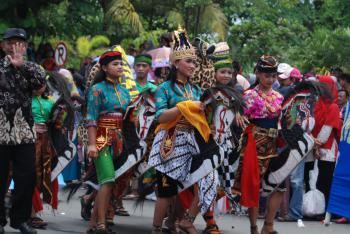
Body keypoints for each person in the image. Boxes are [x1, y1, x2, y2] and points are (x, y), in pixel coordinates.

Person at [148, 27, 220, 234]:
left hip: (192, 140)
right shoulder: (164, 89)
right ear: (176, 63)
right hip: (169, 141)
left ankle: (186, 220)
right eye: (189, 61)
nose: (193, 66)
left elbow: (202, 118)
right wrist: (184, 107)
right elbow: (160, 117)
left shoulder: (196, 90)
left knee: (210, 179)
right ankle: (157, 228)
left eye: (195, 62)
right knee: (166, 190)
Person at [0, 28, 46, 234]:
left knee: (27, 177)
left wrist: (22, 65)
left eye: (19, 43)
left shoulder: (32, 68)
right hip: (0, 132)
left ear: (25, 47)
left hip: (24, 132)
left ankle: (20, 220)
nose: (14, 46)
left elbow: (40, 84)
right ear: (3, 45)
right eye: (10, 42)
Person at [233, 55, 285, 234]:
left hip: (273, 146)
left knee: (281, 185)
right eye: (267, 75)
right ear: (258, 74)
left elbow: (282, 121)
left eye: (273, 76)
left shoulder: (279, 96)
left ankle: (268, 225)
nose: (271, 79)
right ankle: (254, 227)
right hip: (254, 146)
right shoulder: (249, 95)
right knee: (253, 186)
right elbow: (240, 121)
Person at [86, 51, 131, 234]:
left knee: (109, 182)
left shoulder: (124, 90)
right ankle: (101, 224)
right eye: (115, 64)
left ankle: (92, 224)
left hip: (119, 139)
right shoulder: (97, 89)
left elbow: (127, 116)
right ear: (104, 68)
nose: (120, 67)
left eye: (121, 63)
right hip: (102, 138)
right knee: (107, 179)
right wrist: (91, 144)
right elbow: (91, 118)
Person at [304, 75, 341, 214]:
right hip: (311, 146)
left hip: (325, 150)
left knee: (323, 180)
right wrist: (313, 143)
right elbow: (308, 125)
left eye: (320, 85)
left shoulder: (333, 107)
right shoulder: (314, 104)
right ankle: (310, 209)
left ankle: (322, 211)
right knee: (309, 178)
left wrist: (315, 145)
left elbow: (327, 129)